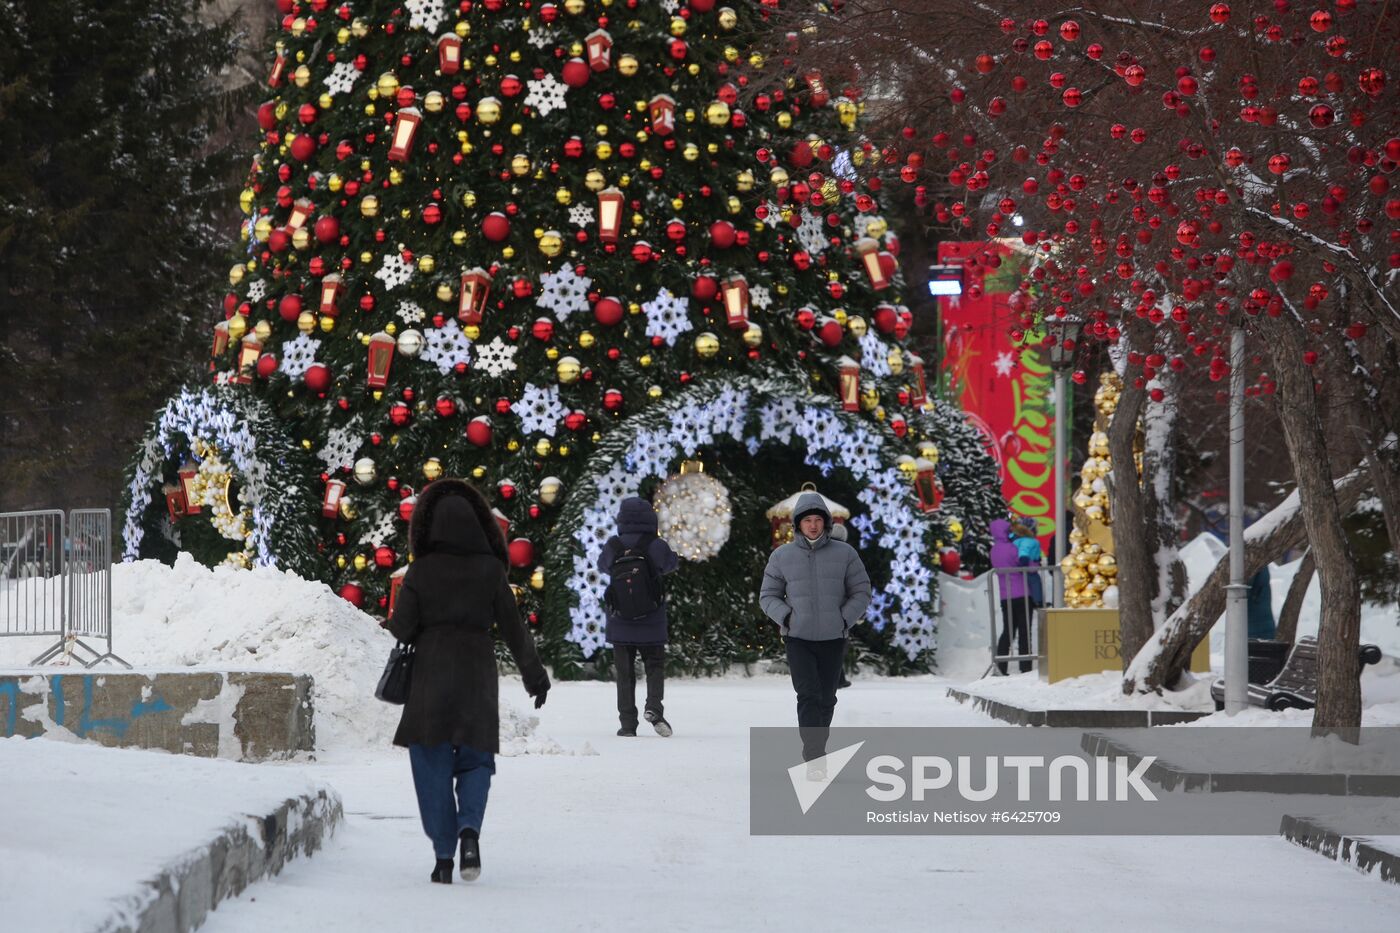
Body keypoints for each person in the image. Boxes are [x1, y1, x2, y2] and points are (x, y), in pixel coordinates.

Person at [387, 478, 550, 884]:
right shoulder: (492, 570)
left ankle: (443, 857)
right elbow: (515, 631)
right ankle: (469, 832)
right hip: (477, 670)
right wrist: (535, 678)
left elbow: (401, 628)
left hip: (431, 672)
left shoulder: (421, 570)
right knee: (477, 758)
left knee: (431, 760)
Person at [760, 492, 871, 776]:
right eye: (807, 520)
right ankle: (814, 756)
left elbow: (861, 591)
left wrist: (843, 619)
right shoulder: (782, 556)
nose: (812, 525)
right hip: (798, 638)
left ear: (826, 523)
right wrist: (787, 617)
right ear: (798, 523)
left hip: (833, 638)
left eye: (817, 520)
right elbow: (768, 595)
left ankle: (817, 750)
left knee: (826, 698)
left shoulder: (845, 554)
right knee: (807, 695)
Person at [598, 496, 679, 737]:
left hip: (620, 618)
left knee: (624, 673)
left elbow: (603, 566)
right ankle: (654, 707)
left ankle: (627, 724)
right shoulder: (656, 544)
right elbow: (671, 564)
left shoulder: (613, 545)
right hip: (651, 618)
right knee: (654, 666)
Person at [989, 519, 1033, 674]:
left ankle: (1001, 666)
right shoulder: (1014, 548)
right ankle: (1025, 667)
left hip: (1005, 595)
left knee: (1008, 631)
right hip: (1022, 594)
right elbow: (1027, 566)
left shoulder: (994, 550)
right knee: (1024, 631)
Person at [1009, 520, 1045, 609]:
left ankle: (1032, 599)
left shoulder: (1017, 540)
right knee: (1035, 582)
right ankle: (1037, 601)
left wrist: (1037, 558)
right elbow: (1024, 550)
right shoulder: (1028, 540)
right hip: (1028, 566)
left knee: (1027, 583)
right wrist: (1024, 560)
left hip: (1026, 565)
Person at [1247, 566, 1276, 639]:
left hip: (1253, 627)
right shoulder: (1262, 564)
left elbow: (1240, 595)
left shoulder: (1252, 564)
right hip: (1264, 625)